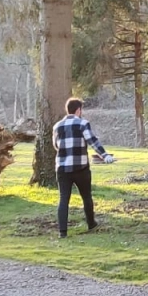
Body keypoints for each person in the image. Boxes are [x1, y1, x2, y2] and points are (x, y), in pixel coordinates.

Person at [53, 97, 115, 238]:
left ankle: (62, 232)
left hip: (62, 168)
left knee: (64, 199)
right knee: (86, 196)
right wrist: (105, 155)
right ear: (78, 110)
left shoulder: (57, 126)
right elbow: (92, 142)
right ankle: (91, 223)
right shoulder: (82, 124)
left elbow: (56, 146)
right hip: (81, 168)